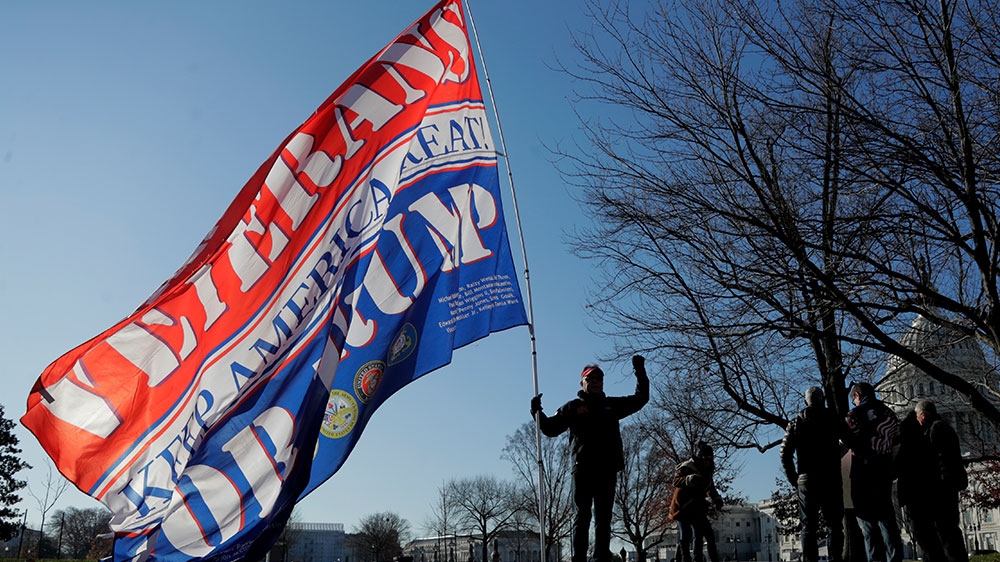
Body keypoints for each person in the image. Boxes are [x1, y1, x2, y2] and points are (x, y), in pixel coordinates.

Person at [530, 355, 650, 562]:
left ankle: (601, 556)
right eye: (590, 378)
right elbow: (550, 429)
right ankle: (579, 558)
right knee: (582, 515)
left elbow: (641, 398)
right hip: (583, 469)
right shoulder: (573, 407)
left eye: (598, 378)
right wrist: (537, 411)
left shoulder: (612, 405)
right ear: (582, 382)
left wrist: (640, 371)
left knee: (604, 518)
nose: (595, 382)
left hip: (607, 469)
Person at [779, 386, 845, 562]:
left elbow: (784, 454)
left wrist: (794, 478)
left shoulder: (795, 423)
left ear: (805, 401)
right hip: (831, 479)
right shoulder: (834, 419)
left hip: (807, 481)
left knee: (808, 527)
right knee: (835, 526)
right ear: (823, 399)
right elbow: (850, 442)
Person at [897, 400, 967, 562]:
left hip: (941, 492)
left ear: (923, 415)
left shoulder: (937, 429)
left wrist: (940, 486)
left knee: (946, 535)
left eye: (917, 417)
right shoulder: (942, 427)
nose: (917, 421)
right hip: (943, 490)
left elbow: (943, 462)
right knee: (945, 534)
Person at [843, 382, 903, 562]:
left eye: (853, 399)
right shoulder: (889, 414)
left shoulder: (854, 415)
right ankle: (894, 558)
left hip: (862, 472)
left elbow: (845, 442)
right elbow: (897, 444)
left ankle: (875, 559)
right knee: (887, 519)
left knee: (867, 522)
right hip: (883, 470)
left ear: (857, 395)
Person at [669, 442, 724, 562]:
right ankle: (686, 559)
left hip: (697, 507)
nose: (707, 462)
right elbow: (675, 481)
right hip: (683, 506)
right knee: (686, 534)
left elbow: (710, 487)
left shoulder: (708, 472)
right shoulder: (688, 466)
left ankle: (705, 559)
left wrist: (717, 499)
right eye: (705, 459)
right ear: (700, 457)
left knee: (706, 534)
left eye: (710, 459)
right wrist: (689, 479)